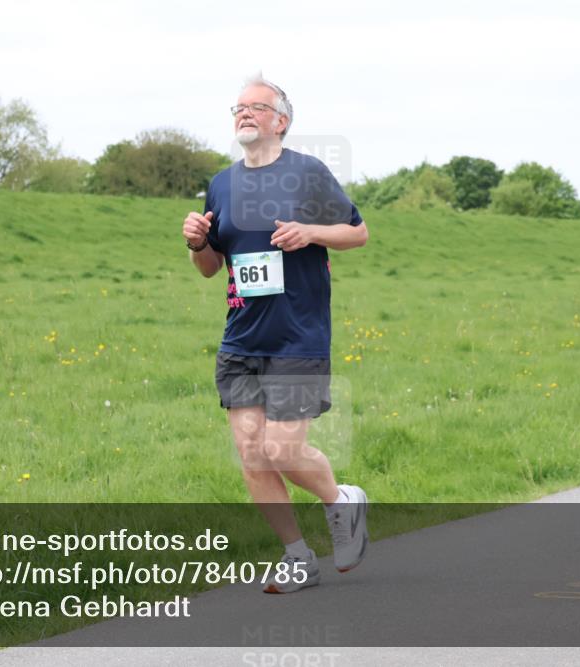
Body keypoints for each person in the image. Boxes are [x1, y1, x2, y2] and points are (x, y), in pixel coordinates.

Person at [182, 75, 369, 592]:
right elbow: (210, 266)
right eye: (237, 108)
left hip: (297, 336)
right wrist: (198, 242)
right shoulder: (221, 182)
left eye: (256, 107)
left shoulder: (307, 173)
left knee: (283, 450)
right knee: (250, 452)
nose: (244, 114)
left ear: (281, 120)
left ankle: (342, 501)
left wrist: (310, 232)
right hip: (241, 338)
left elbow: (357, 232)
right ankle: (296, 556)